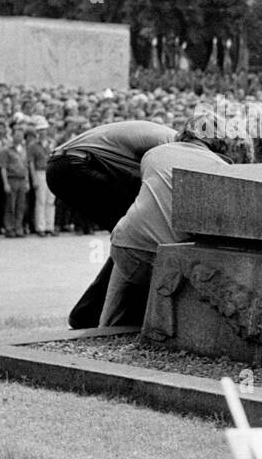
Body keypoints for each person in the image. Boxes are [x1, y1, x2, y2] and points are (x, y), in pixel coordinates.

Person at [99, 110, 253, 328]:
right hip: (166, 258)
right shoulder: (221, 168)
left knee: (130, 242)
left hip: (124, 246)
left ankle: (103, 328)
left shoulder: (154, 154)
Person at [48, 120, 177, 327]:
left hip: (62, 165)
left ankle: (89, 313)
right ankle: (91, 313)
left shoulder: (167, 137)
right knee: (136, 236)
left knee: (132, 237)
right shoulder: (172, 145)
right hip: (77, 165)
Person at [0, 127, 29, 238]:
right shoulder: (7, 150)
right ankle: (9, 228)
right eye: (17, 135)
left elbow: (25, 166)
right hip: (12, 179)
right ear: (12, 136)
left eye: (21, 135)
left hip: (22, 179)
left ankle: (18, 227)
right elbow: (3, 168)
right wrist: (5, 183)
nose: (19, 138)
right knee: (10, 205)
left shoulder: (24, 149)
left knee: (21, 206)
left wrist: (27, 182)